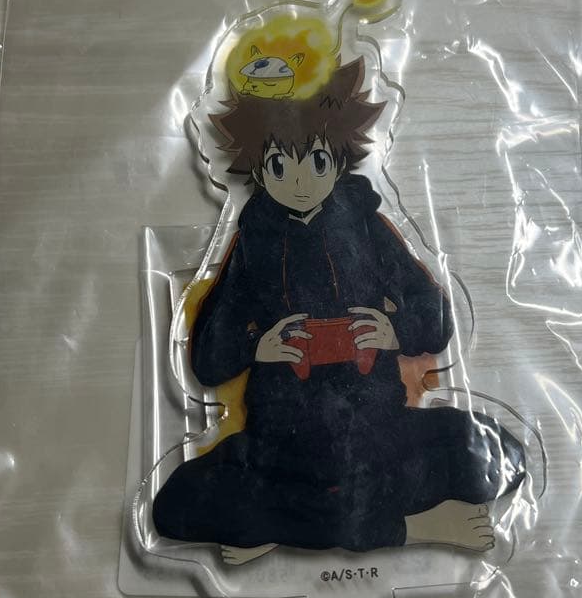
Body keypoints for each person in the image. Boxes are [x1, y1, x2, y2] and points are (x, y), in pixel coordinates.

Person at [153, 56, 525, 560]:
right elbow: (207, 359)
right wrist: (258, 346)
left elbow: (435, 316)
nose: (300, 182)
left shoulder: (367, 228)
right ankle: (414, 526)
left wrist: (394, 330)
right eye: (280, 166)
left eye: (317, 162)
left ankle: (279, 525)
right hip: (283, 444)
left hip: (378, 432)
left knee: (501, 456)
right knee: (176, 504)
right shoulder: (252, 243)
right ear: (259, 169)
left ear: (339, 160)